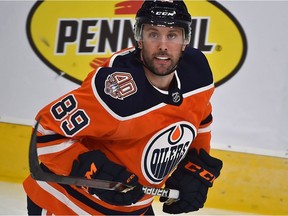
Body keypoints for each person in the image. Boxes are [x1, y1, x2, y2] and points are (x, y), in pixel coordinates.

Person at [23, 0, 223, 215]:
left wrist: (194, 164)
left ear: (185, 41)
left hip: (134, 210)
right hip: (68, 205)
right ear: (139, 38)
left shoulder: (197, 73)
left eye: (172, 35)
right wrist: (94, 171)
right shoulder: (117, 90)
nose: (163, 45)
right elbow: (45, 132)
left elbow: (201, 117)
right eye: (153, 34)